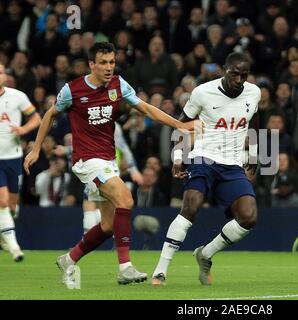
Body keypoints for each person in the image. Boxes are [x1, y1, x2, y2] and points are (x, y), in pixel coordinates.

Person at [23, 42, 198, 286]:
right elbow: (50, 115)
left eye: (112, 62)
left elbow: (146, 109)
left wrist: (179, 124)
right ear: (91, 64)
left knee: (107, 225)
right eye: (103, 63)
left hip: (107, 159)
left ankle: (69, 259)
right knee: (126, 199)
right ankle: (125, 267)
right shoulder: (71, 90)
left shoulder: (119, 85)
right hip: (87, 160)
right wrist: (35, 148)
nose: (108, 67)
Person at [151, 52, 261, 286]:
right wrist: (179, 155)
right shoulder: (202, 92)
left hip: (232, 164)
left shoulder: (254, 92)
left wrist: (252, 149)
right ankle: (160, 271)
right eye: (234, 74)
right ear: (224, 70)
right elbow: (182, 123)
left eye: (244, 75)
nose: (239, 79)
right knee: (190, 206)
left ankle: (206, 254)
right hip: (204, 157)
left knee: (249, 217)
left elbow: (254, 119)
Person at [0, 63, 41, 261]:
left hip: (13, 156)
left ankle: (4, 232)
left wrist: (24, 130)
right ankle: (15, 248)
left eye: (1, 72)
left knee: (12, 207)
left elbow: (36, 118)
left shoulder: (18, 96)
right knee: (2, 200)